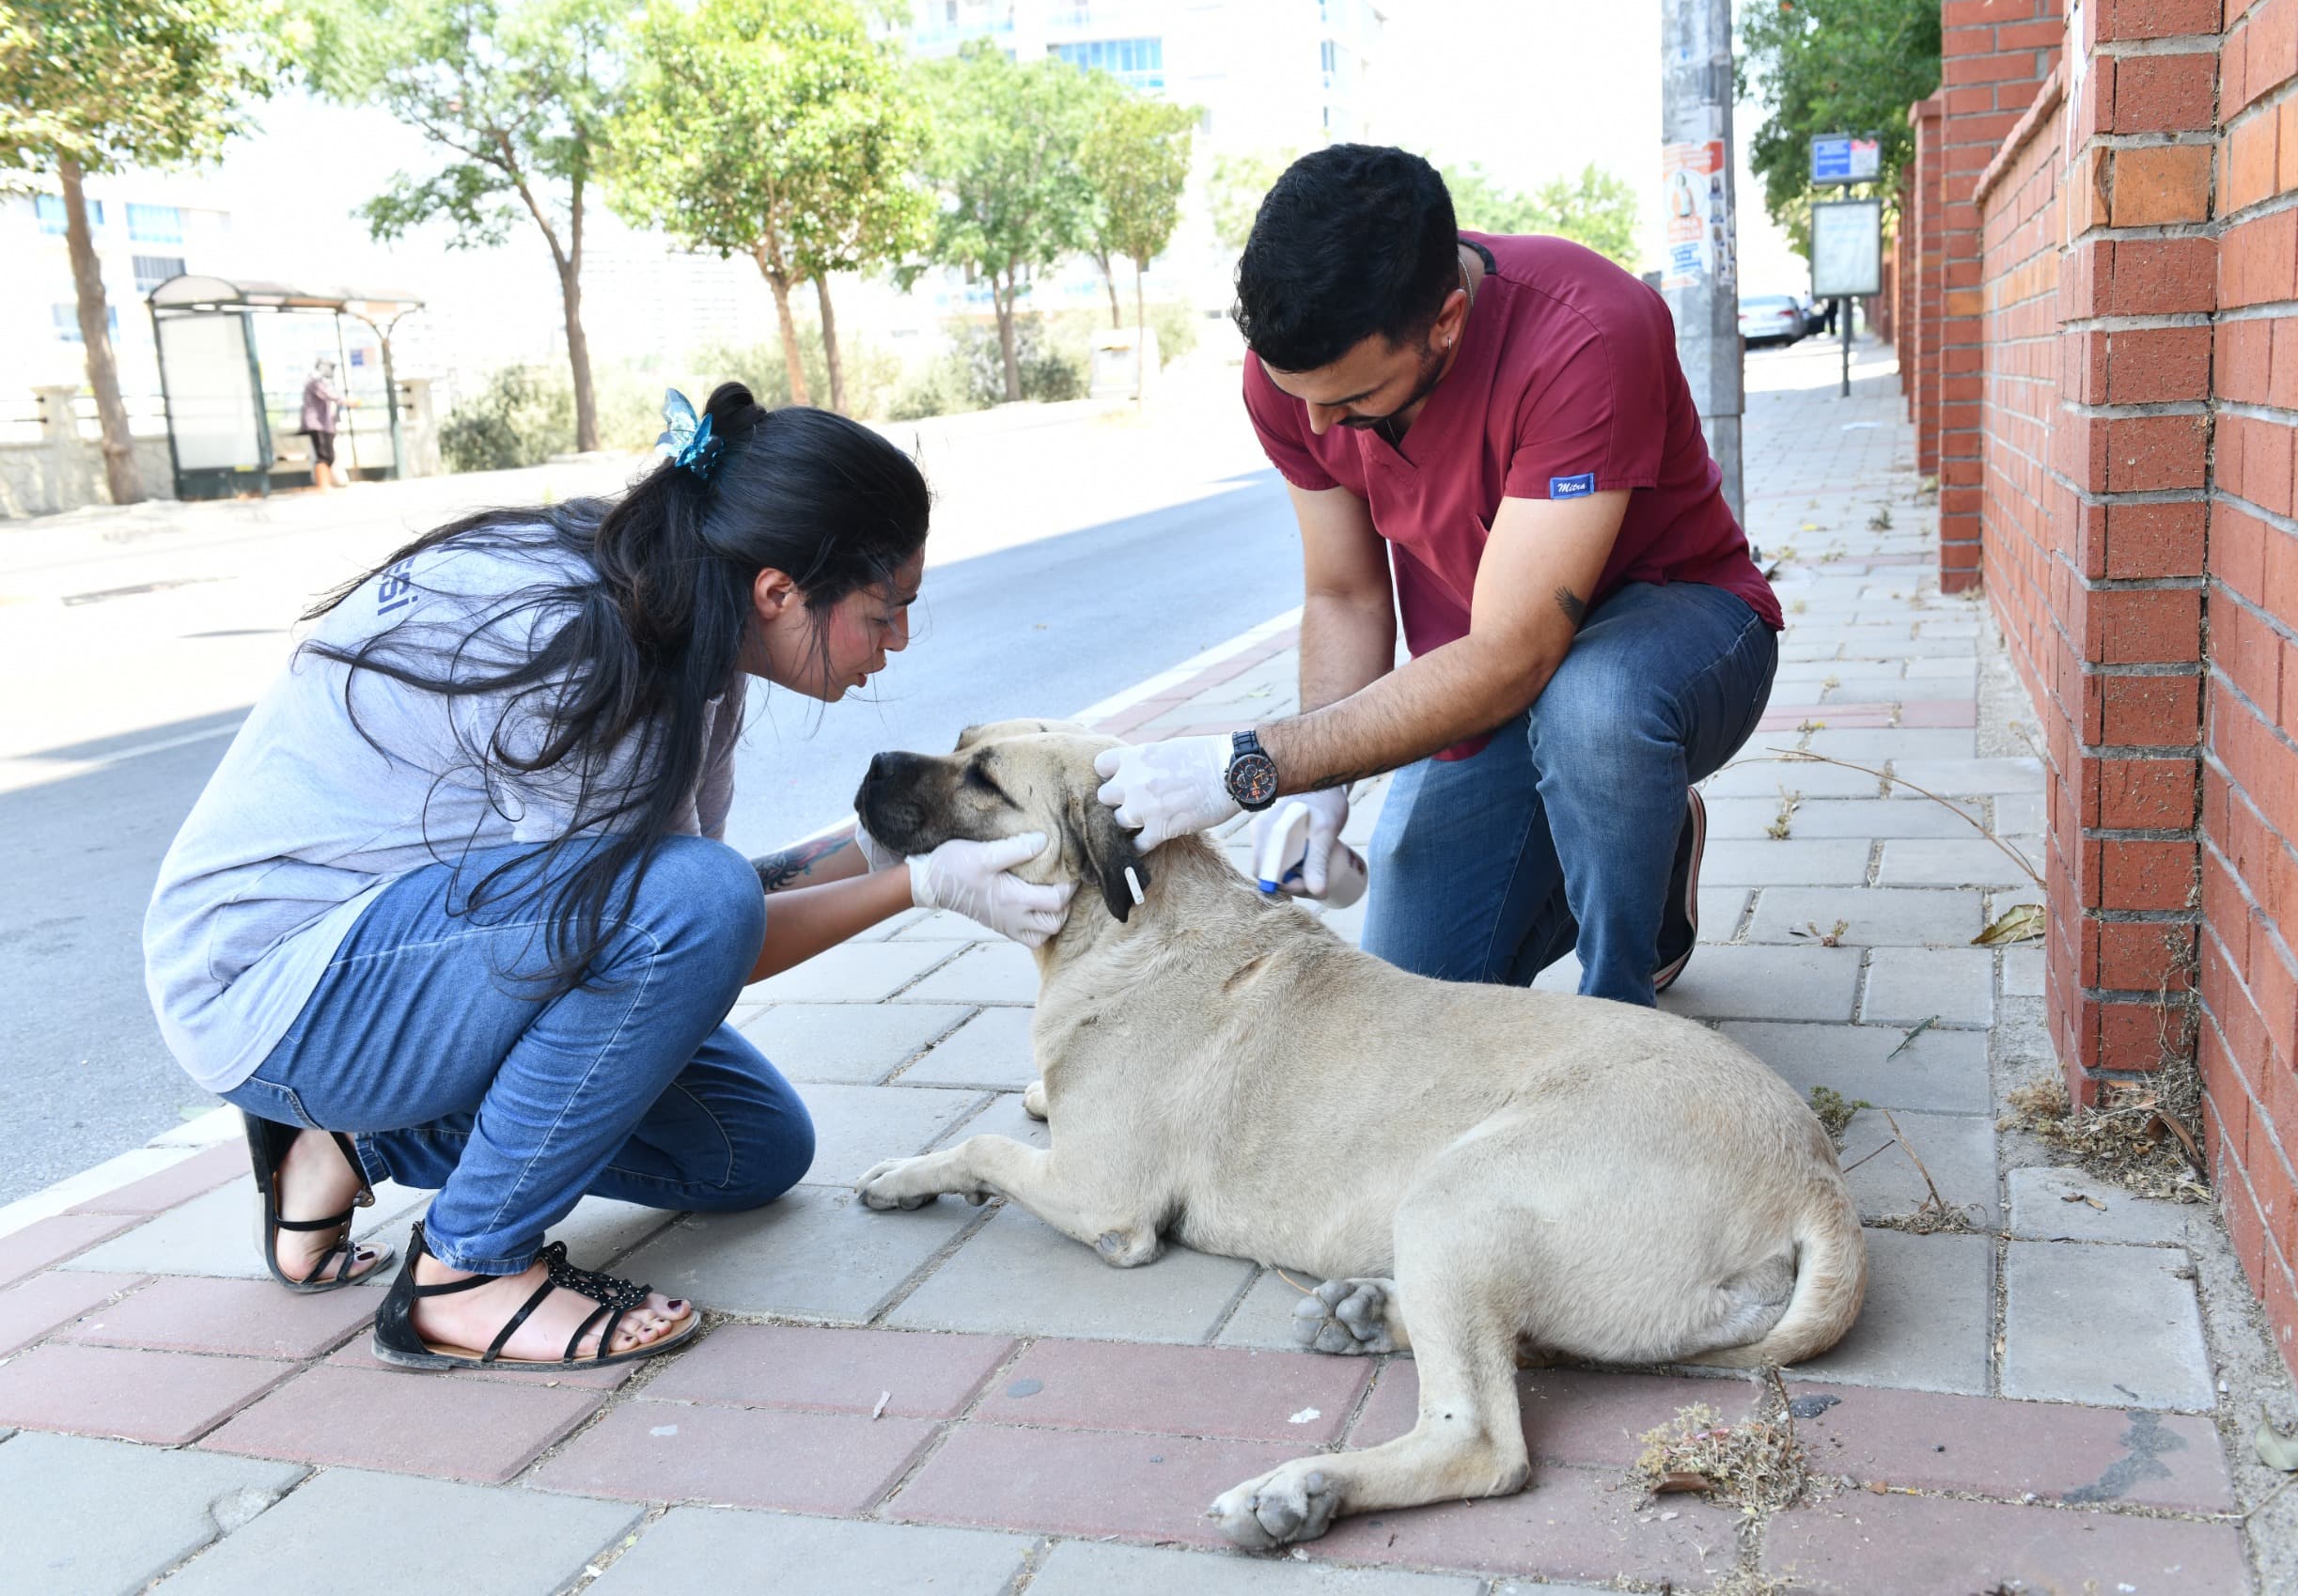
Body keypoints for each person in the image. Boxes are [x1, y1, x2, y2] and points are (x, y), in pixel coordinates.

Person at [144, 383, 1071, 1371]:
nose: (898, 643)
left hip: (402, 956)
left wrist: (888, 846)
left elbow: (661, 906)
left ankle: (346, 1141)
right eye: (885, 613)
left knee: (744, 1150)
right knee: (695, 902)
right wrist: (923, 888)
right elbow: (696, 921)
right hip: (276, 981)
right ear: (777, 592)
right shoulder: (595, 655)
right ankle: (463, 1276)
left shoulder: (678, 615)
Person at [1094, 146, 1780, 1007]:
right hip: (1497, 675)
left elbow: (1513, 654)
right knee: (1414, 993)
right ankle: (1649, 836)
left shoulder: (1589, 333)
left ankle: (1622, 1017)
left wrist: (1253, 764)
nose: (1318, 423)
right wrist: (1324, 790)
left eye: (1352, 400)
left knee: (1595, 711)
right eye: (1297, 396)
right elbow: (1345, 593)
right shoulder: (1302, 375)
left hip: (1680, 634)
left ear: (1447, 321)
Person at [301, 358, 356, 493]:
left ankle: (326, 485)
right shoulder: (314, 381)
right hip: (317, 424)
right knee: (322, 455)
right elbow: (330, 396)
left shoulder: (322, 382)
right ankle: (323, 486)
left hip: (325, 424)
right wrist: (348, 402)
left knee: (329, 455)